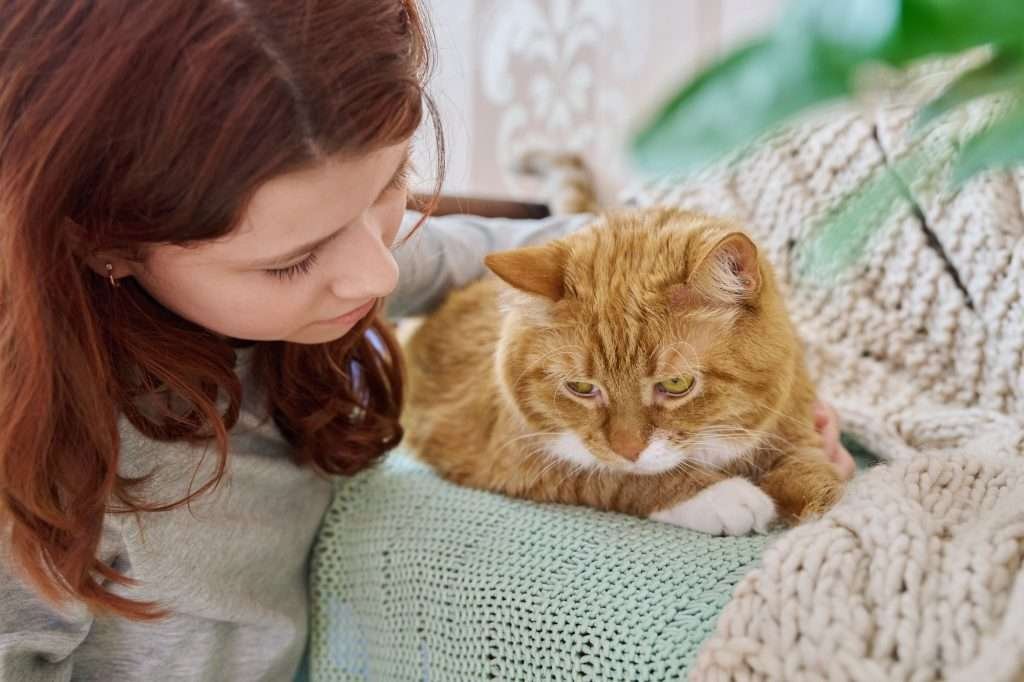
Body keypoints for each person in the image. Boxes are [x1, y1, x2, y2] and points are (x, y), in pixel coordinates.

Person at [0, 1, 853, 680]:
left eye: (394, 188)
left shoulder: (339, 257)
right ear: (100, 243)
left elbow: (572, 253)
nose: (378, 274)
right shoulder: (40, 474)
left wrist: (762, 395)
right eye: (294, 262)